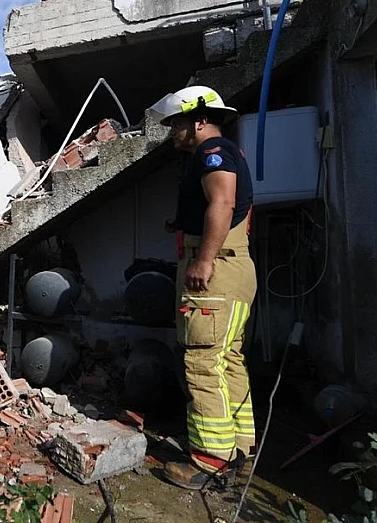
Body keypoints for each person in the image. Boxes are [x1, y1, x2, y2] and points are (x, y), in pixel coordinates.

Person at [147, 85, 257, 489]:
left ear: (199, 120)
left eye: (176, 124)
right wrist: (183, 225)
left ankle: (210, 460)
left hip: (218, 272)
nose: (172, 132)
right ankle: (240, 449)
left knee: (202, 362)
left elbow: (223, 204)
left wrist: (204, 258)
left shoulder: (213, 152)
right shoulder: (225, 152)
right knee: (228, 359)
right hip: (233, 268)